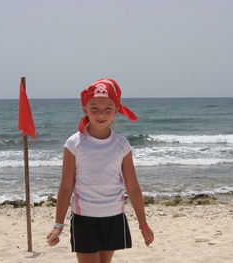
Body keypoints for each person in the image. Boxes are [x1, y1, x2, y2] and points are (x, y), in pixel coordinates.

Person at [46, 78, 154, 263]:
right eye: (94, 108)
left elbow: (133, 187)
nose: (100, 114)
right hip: (84, 218)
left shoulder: (121, 145)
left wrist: (143, 224)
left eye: (108, 109)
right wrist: (58, 225)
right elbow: (65, 186)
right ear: (84, 109)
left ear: (116, 111)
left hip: (114, 216)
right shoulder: (74, 143)